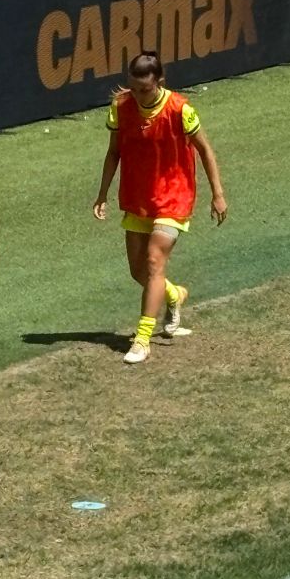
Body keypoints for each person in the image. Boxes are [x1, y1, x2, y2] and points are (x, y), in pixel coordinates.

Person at [92, 52, 227, 365]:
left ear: (159, 82)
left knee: (154, 262)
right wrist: (102, 194)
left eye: (145, 90)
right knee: (138, 270)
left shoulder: (181, 109)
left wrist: (217, 194)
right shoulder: (120, 108)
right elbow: (114, 153)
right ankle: (173, 295)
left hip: (174, 196)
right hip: (138, 197)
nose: (138, 96)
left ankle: (142, 340)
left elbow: (205, 150)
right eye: (134, 88)